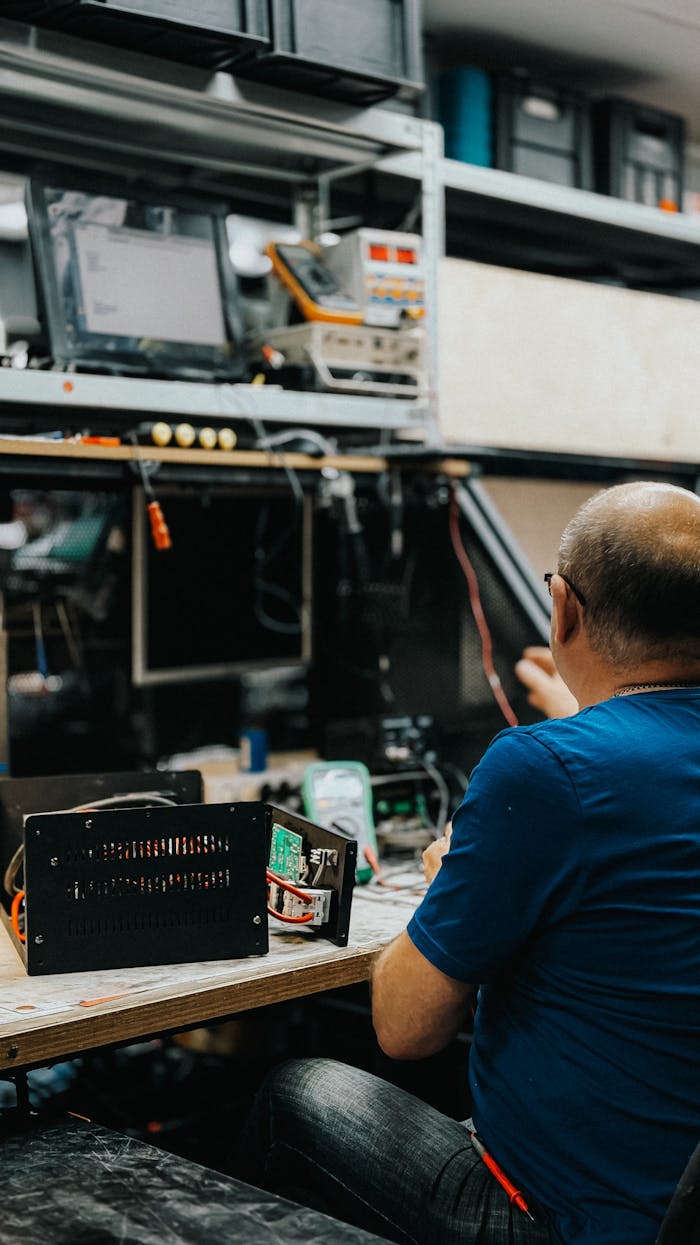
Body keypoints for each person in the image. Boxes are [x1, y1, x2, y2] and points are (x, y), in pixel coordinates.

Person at [240, 481, 700, 1245]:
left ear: (564, 610)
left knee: (301, 1091)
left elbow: (404, 1028)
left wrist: (451, 882)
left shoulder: (543, 772)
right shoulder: (577, 766)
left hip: (565, 1219)